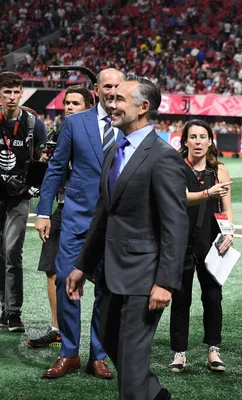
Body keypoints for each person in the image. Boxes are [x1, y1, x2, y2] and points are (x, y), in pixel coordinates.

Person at [67, 75, 188, 400]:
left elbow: (175, 225)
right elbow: (103, 215)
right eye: (111, 97)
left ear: (144, 107)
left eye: (120, 99)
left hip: (144, 280)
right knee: (110, 343)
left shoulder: (163, 156)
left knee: (131, 371)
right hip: (109, 276)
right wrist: (82, 266)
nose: (111, 103)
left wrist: (165, 282)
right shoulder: (114, 151)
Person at [35, 68, 124, 379]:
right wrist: (43, 212)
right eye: (108, 86)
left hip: (114, 223)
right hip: (75, 218)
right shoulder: (74, 122)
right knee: (64, 280)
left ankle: (98, 355)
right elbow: (56, 169)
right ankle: (69, 352)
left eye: (118, 86)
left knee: (107, 288)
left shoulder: (130, 125)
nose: (113, 91)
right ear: (97, 90)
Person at [27, 85, 95, 348]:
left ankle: (96, 338)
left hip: (89, 211)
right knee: (51, 268)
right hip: (62, 209)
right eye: (67, 102)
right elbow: (51, 172)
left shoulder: (95, 134)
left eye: (75, 103)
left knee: (92, 271)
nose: (68, 107)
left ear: (89, 107)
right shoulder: (58, 131)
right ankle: (57, 328)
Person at [168, 120, 234, 373]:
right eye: (192, 137)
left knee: (213, 297)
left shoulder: (220, 170)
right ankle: (179, 352)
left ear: (210, 141)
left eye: (202, 136)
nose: (197, 141)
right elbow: (182, 197)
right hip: (181, 242)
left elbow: (227, 209)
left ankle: (213, 350)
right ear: (184, 141)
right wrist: (209, 193)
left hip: (212, 241)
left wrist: (229, 233)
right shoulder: (176, 167)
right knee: (181, 299)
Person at [0, 71, 47, 332]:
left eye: (15, 91)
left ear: (21, 93)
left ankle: (13, 311)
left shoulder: (33, 124)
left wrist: (28, 184)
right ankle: (3, 307)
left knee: (12, 251)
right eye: (6, 91)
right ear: (0, 94)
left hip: (18, 199)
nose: (11, 96)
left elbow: (40, 162)